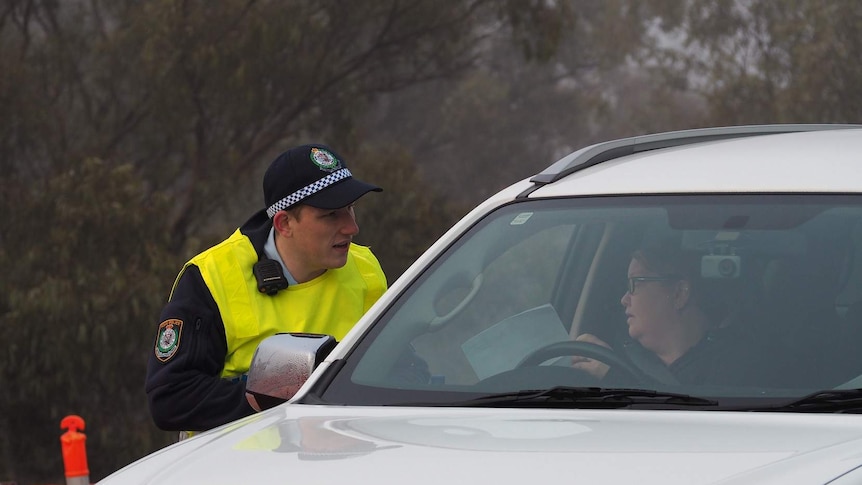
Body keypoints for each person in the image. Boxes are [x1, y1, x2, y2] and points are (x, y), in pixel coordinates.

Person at [145, 144, 387, 435]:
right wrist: (280, 392)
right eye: (332, 215)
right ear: (284, 223)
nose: (351, 227)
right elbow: (171, 399)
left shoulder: (365, 267)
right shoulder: (212, 278)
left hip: (341, 458)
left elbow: (388, 366)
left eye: (351, 208)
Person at [572, 243, 763, 386]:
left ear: (679, 293)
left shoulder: (741, 369)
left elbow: (693, 424)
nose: (624, 299)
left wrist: (615, 380)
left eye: (635, 283)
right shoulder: (620, 356)